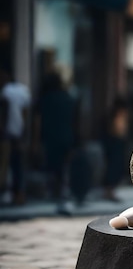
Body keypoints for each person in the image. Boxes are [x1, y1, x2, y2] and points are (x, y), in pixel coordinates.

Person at [34, 70, 79, 214]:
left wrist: (35, 140)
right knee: (63, 167)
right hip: (66, 136)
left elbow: (37, 121)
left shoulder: (44, 98)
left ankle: (52, 192)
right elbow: (75, 120)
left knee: (51, 165)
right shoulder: (68, 98)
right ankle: (61, 193)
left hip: (49, 136)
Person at [0, 68, 31, 205]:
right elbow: (26, 113)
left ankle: (15, 194)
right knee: (17, 165)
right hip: (17, 132)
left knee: (9, 165)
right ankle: (18, 194)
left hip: (8, 134)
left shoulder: (7, 91)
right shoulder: (22, 90)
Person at [101, 96, 129, 201]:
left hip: (116, 143)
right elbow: (117, 130)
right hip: (115, 143)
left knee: (115, 168)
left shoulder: (116, 115)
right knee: (113, 168)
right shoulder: (116, 115)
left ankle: (110, 191)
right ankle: (109, 191)